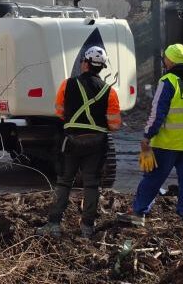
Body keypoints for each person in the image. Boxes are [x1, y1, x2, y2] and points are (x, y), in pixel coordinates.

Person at [120, 43, 183, 226]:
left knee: (154, 178)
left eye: (165, 58)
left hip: (167, 143)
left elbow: (157, 113)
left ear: (170, 60)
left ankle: (139, 213)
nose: (164, 61)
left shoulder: (168, 81)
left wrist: (147, 135)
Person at [38, 46, 121, 238]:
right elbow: (115, 125)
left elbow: (59, 112)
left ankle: (54, 224)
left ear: (84, 63)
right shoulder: (110, 92)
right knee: (92, 184)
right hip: (97, 144)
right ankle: (87, 228)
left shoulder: (67, 85)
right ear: (101, 67)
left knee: (64, 182)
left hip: (72, 141)